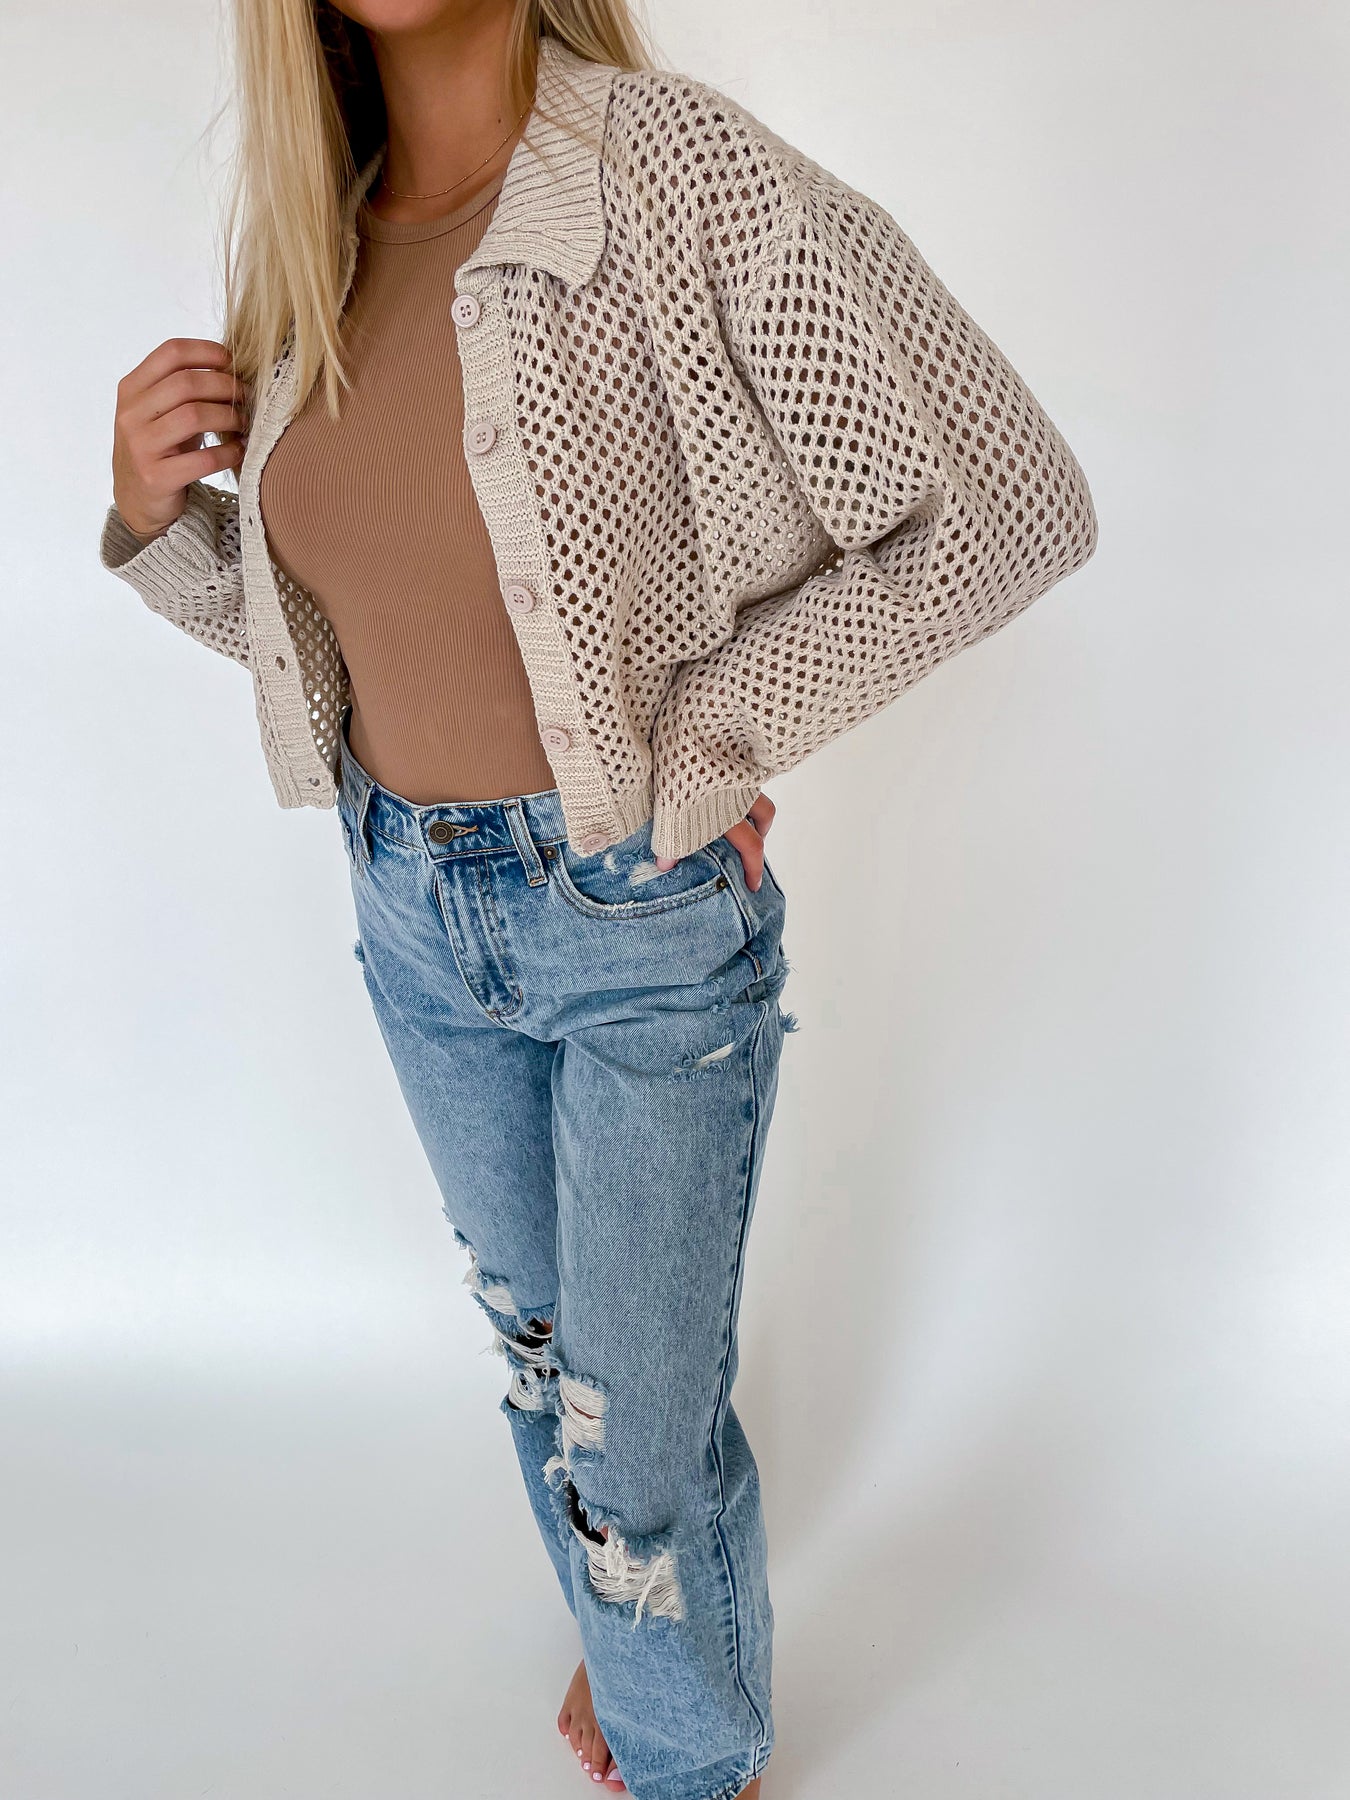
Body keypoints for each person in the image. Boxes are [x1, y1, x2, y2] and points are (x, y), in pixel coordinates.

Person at [98, 2, 1099, 1794]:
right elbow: (344, 645)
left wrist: (707, 736)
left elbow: (1006, 507)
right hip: (408, 909)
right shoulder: (315, 246)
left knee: (631, 1442)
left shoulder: (670, 170)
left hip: (634, 918)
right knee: (545, 1356)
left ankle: (692, 1753)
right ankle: (651, 1639)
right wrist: (158, 517)